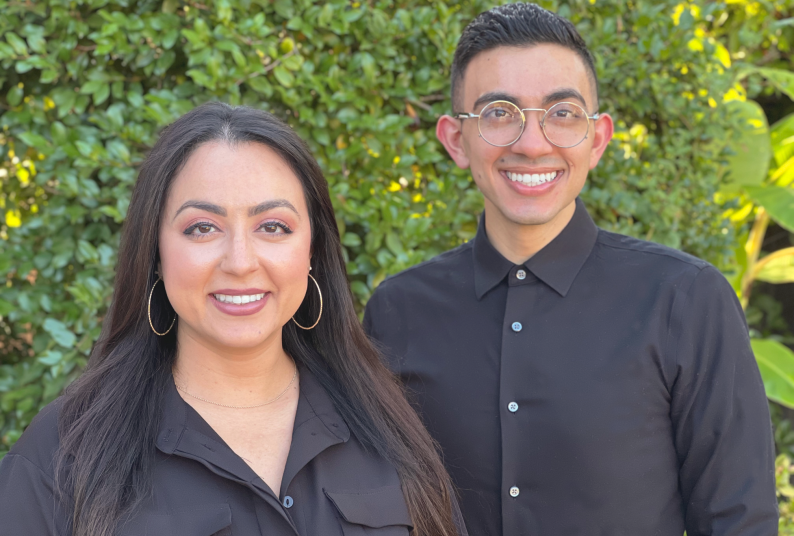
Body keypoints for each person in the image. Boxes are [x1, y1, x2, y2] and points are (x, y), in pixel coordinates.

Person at [364, 3, 778, 535]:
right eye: (498, 113)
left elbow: (738, 520)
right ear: (455, 140)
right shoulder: (399, 311)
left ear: (598, 139)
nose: (532, 144)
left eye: (562, 113)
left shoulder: (685, 300)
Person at [0, 103, 466, 536]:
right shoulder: (63, 457)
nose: (240, 261)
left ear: (312, 251)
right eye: (202, 227)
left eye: (273, 226)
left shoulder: (388, 431)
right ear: (156, 253)